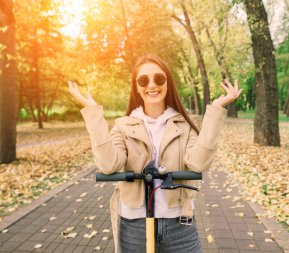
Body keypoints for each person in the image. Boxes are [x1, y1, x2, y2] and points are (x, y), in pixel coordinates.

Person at [68, 53, 242, 253]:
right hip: (134, 225)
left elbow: (199, 164)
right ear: (136, 86)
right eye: (143, 80)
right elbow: (108, 165)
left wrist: (216, 110)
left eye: (159, 78)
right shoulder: (123, 126)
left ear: (167, 83)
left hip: (179, 224)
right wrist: (92, 113)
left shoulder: (183, 125)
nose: (151, 85)